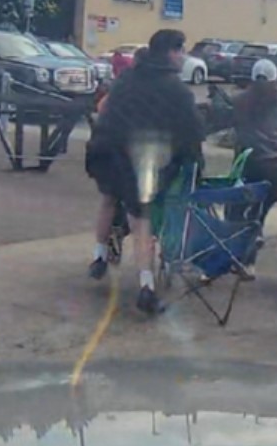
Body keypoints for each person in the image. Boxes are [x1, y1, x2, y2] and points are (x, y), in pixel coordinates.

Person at [84, 29, 205, 316]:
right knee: (141, 223)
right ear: (171, 52)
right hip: (140, 161)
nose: (184, 56)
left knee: (108, 200)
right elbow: (193, 131)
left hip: (107, 152)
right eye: (181, 50)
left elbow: (109, 111)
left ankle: (99, 256)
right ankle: (146, 289)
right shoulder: (176, 89)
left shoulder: (128, 77)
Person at [230, 58, 277, 228]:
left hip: (252, 166)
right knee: (261, 209)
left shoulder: (239, 101)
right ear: (275, 79)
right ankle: (257, 226)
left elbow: (223, 119)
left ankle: (239, 235)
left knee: (237, 209)